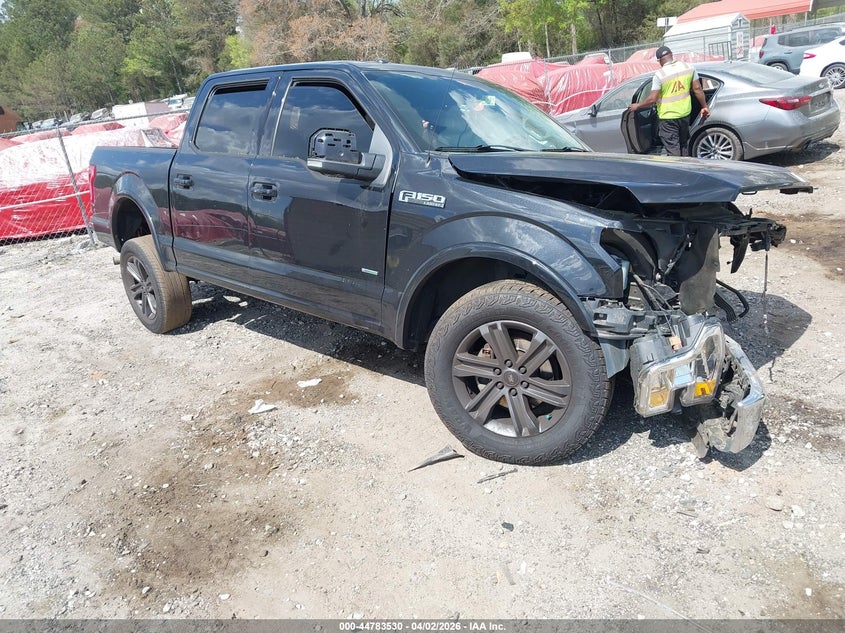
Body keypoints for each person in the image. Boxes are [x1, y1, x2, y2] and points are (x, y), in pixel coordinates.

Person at [628, 46, 710, 157]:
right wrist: (704, 106)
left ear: (659, 60)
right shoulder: (688, 67)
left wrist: (637, 106)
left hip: (668, 118)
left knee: (673, 149)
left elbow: (652, 99)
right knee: (683, 145)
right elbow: (697, 89)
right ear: (671, 55)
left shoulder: (660, 75)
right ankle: (686, 168)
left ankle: (677, 171)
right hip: (684, 114)